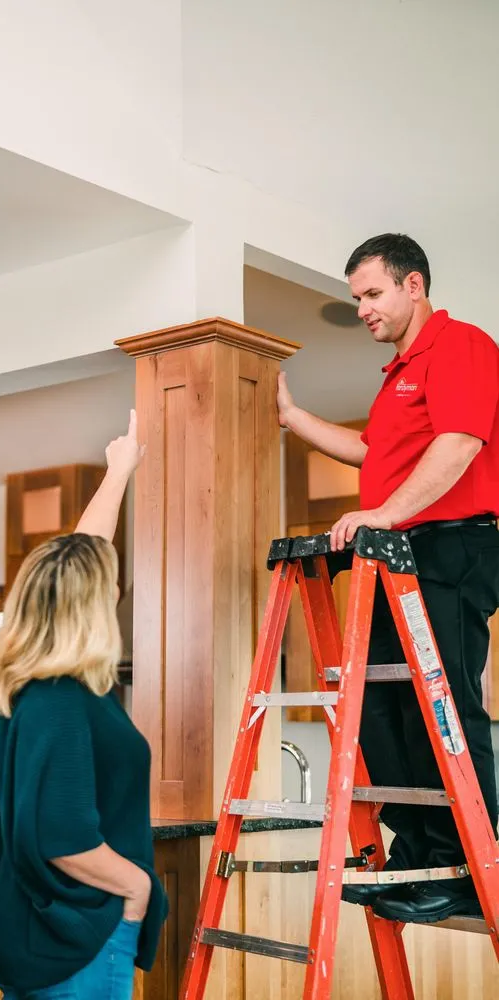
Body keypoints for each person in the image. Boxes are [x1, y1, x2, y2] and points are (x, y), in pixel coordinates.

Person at [277, 233, 499, 924]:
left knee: (442, 707)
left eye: (372, 293)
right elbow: (371, 451)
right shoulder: (398, 372)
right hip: (397, 552)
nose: (362, 309)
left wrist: (381, 515)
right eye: (356, 298)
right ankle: (417, 855)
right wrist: (292, 417)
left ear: (413, 285)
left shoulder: (461, 345)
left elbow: (459, 444)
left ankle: (467, 867)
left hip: (450, 547)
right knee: (381, 706)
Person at [0, 410, 168, 999]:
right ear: (93, 607)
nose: (116, 592)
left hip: (44, 935)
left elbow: (84, 555)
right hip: (80, 938)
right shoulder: (60, 701)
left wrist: (120, 470)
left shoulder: (36, 683)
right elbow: (63, 838)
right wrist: (137, 888)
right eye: (110, 588)